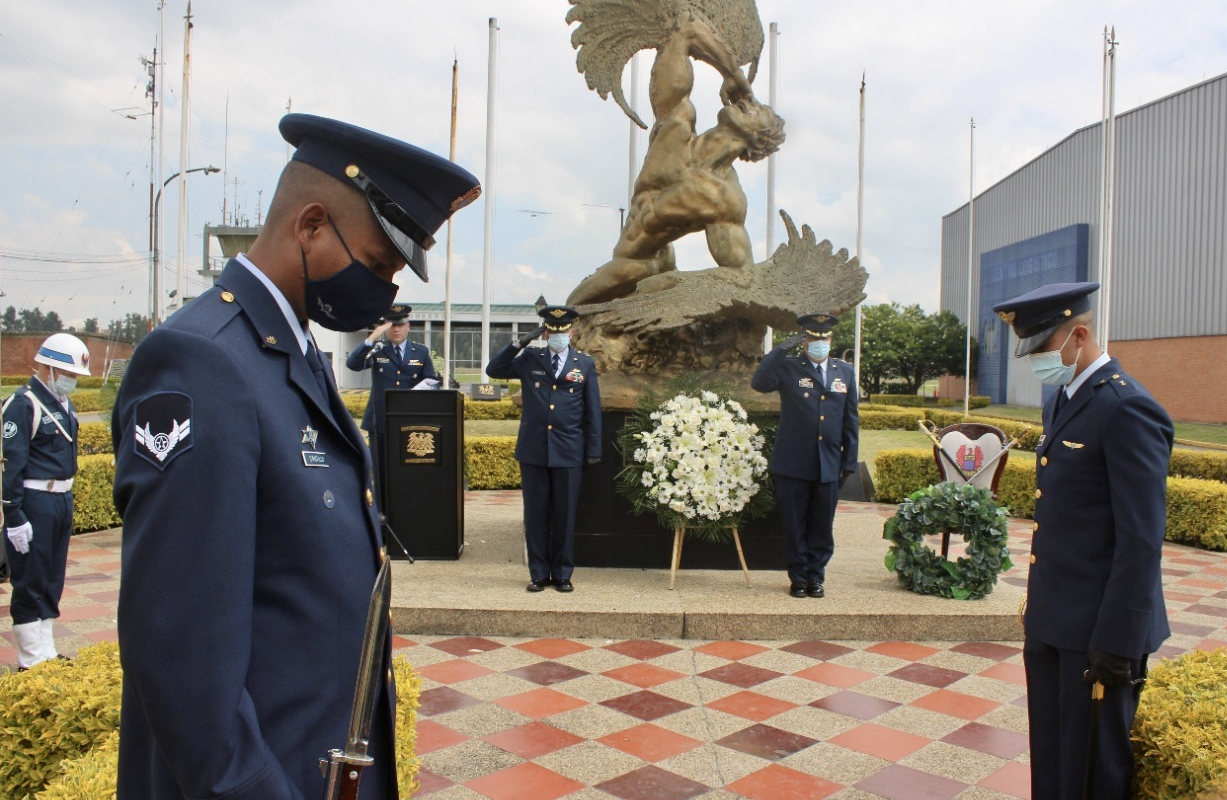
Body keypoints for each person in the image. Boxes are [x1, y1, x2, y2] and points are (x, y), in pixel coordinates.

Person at [111, 113, 479, 799]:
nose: (385, 291)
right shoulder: (203, 362)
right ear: (310, 226)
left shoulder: (290, 352)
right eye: (375, 264)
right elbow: (182, 655)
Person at [993, 281, 1172, 800]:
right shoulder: (1064, 401)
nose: (1038, 362)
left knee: (1092, 770)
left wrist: (1118, 639)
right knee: (1053, 759)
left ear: (1080, 335)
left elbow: (1141, 539)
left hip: (1099, 629)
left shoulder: (1126, 408)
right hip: (1054, 619)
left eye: (1044, 350)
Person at [566, 10, 785, 306]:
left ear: (759, 138)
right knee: (567, 314)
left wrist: (677, 285)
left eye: (760, 111)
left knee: (574, 309)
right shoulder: (676, 127)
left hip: (644, 270)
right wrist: (733, 74)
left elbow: (741, 278)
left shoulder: (723, 198)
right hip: (636, 262)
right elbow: (685, 27)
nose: (750, 103)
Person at [485, 305, 601, 593]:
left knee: (565, 515)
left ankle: (562, 573)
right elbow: (494, 369)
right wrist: (520, 342)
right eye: (552, 332)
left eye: (563, 333)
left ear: (572, 333)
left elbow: (592, 411)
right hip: (534, 449)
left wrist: (593, 449)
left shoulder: (584, 363)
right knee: (535, 514)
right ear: (546, 332)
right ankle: (538, 573)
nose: (558, 337)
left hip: (569, 450)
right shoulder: (530, 358)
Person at [750, 313, 859, 599]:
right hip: (793, 462)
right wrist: (780, 349)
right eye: (812, 339)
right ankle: (798, 577)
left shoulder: (844, 372)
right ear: (804, 340)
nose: (818, 344)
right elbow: (759, 383)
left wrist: (849, 461)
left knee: (822, 525)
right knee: (794, 523)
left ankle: (816, 576)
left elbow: (851, 421)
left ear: (831, 340)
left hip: (828, 463)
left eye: (823, 339)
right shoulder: (788, 368)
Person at [2, 333, 90, 669]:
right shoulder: (24, 404)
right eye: (69, 375)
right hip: (35, 502)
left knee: (52, 578)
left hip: (60, 500)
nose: (72, 381)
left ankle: (47, 653)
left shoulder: (64, 405)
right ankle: (29, 659)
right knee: (30, 579)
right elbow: (12, 465)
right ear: (48, 368)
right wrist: (13, 516)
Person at [346, 302, 439, 494]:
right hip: (379, 420)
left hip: (409, 419)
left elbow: (433, 380)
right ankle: (381, 512)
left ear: (408, 326)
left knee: (406, 468)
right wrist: (372, 337)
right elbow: (353, 364)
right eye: (392, 326)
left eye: (400, 325)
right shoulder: (378, 349)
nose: (397, 330)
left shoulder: (420, 352)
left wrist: (417, 391)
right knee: (379, 472)